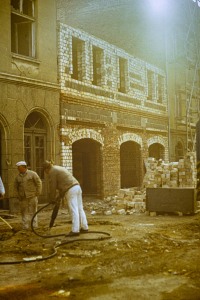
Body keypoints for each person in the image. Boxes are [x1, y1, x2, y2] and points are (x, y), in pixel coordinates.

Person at [43, 161, 88, 236]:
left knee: (73, 209)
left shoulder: (52, 171)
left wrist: (52, 198)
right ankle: (84, 227)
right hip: (77, 187)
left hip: (71, 190)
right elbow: (63, 183)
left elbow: (52, 187)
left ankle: (75, 230)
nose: (46, 173)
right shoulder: (58, 168)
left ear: (46, 169)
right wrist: (59, 196)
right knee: (80, 208)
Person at [14, 161, 42, 230]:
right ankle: (25, 227)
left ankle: (34, 226)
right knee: (24, 212)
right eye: (18, 168)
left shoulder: (32, 174)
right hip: (23, 198)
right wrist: (18, 195)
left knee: (33, 211)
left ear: (24, 167)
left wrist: (38, 192)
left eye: (19, 168)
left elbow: (39, 183)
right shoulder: (18, 177)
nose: (18, 169)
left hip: (32, 196)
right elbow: (15, 187)